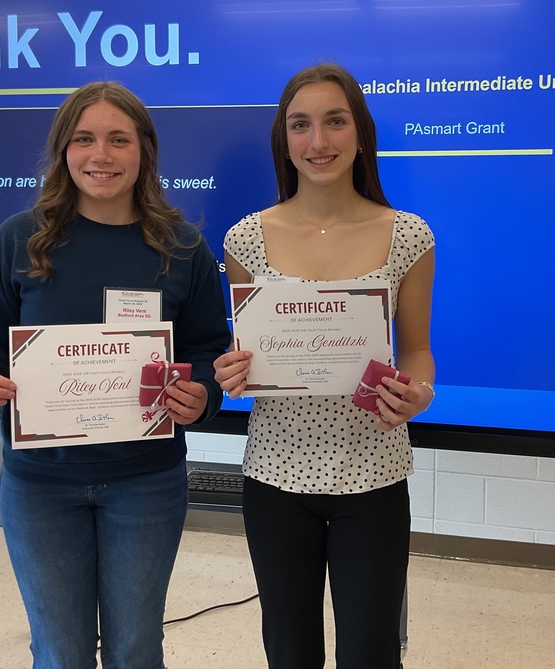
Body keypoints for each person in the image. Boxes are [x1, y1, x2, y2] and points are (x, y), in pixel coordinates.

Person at [0, 81, 230, 669]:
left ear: (144, 150)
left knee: (135, 650)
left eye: (118, 139)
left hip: (146, 482)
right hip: (41, 486)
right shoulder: (18, 239)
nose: (101, 155)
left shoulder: (183, 247)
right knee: (60, 652)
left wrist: (202, 394)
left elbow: (208, 347)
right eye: (84, 139)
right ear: (63, 149)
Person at [213, 63, 436, 669]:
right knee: (289, 651)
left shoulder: (408, 236)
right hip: (275, 475)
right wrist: (231, 370)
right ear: (284, 140)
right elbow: (247, 349)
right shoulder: (245, 240)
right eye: (300, 125)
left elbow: (417, 348)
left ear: (360, 133)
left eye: (335, 122)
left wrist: (420, 389)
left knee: (371, 652)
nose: (318, 141)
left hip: (374, 472)